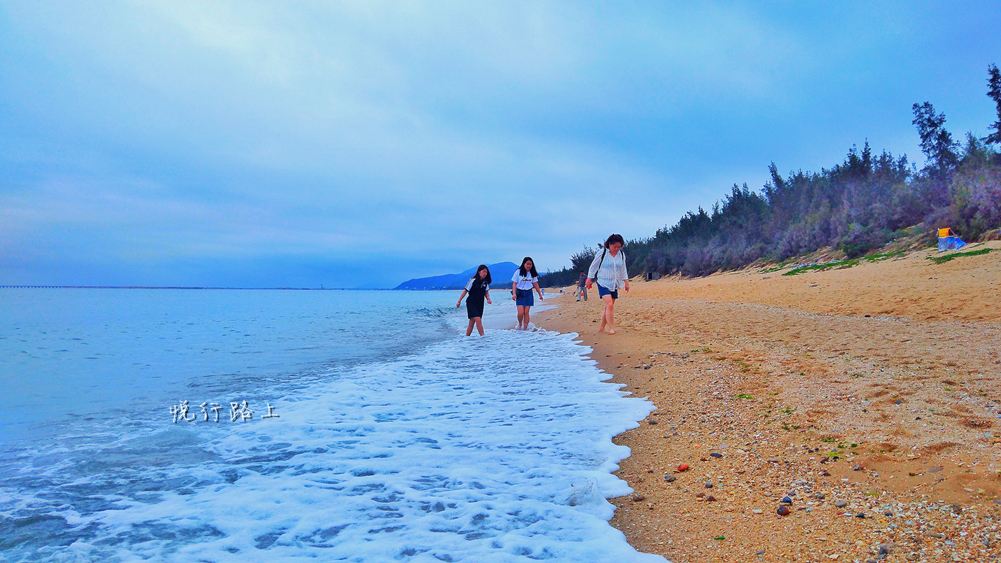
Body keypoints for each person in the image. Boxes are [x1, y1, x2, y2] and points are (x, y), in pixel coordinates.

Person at [586, 234, 629, 334]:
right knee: (609, 304)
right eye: (615, 246)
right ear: (610, 244)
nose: (617, 249)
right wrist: (589, 279)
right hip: (603, 282)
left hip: (614, 283)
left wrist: (626, 282)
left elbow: (623, 269)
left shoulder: (621, 255)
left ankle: (601, 328)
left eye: (619, 247)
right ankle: (611, 328)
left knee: (608, 306)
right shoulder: (602, 253)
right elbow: (594, 266)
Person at [456, 265, 493, 336]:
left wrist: (488, 299)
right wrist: (459, 301)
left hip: (480, 303)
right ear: (479, 271)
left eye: (486, 272)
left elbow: (486, 292)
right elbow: (465, 291)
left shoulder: (485, 282)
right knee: (478, 319)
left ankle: (467, 337)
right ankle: (483, 337)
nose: (485, 273)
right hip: (471, 302)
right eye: (483, 271)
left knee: (472, 321)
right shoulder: (473, 280)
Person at [511, 256, 543, 330]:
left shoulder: (532, 273)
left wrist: (540, 294)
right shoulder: (518, 272)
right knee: (520, 313)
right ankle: (520, 323)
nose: (529, 266)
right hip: (520, 293)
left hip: (528, 293)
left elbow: (535, 284)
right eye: (527, 264)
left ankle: (525, 328)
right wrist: (514, 294)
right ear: (524, 264)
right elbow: (514, 283)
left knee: (526, 312)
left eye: (530, 264)